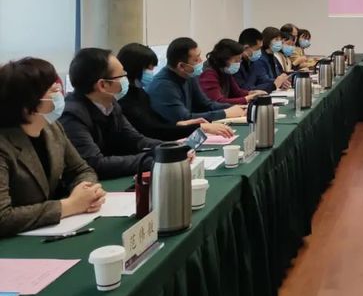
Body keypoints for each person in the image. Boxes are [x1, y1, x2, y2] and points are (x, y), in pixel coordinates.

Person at [0, 58, 105, 237]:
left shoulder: (52, 128)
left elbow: (81, 169)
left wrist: (87, 192)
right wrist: (70, 205)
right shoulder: (4, 145)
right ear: (28, 105)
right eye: (54, 91)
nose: (60, 94)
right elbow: (3, 217)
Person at [60, 48, 161, 179]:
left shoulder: (111, 105)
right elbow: (96, 164)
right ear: (102, 85)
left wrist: (170, 149)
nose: (126, 79)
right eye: (122, 75)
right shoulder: (71, 116)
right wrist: (153, 160)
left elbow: (136, 141)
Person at [117, 43, 234, 141]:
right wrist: (199, 127)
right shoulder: (126, 99)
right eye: (149, 68)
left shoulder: (139, 93)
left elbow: (157, 123)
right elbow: (153, 131)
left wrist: (180, 125)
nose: (152, 72)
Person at [147, 37, 247, 124]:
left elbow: (206, 105)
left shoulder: (189, 75)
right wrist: (225, 113)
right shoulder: (163, 86)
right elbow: (185, 118)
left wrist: (235, 107)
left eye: (199, 56)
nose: (201, 61)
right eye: (196, 60)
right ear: (181, 66)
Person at [198, 39, 267, 105]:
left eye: (240, 60)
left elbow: (237, 92)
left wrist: (251, 93)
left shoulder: (225, 70)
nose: (239, 63)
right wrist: (247, 99)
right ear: (224, 59)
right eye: (236, 60)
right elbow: (218, 101)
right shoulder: (208, 74)